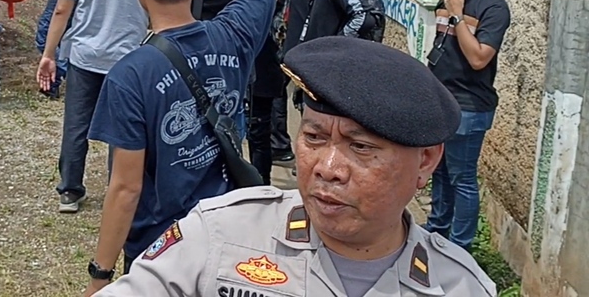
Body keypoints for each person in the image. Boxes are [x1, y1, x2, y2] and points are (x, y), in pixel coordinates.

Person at [95, 37, 497, 296]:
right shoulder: (221, 233)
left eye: (360, 147)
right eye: (314, 138)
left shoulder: (460, 286)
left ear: (425, 160)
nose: (328, 168)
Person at [82, 0, 294, 296]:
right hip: (224, 232)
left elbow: (125, 188)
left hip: (160, 249)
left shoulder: (129, 75)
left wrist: (99, 275)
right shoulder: (235, 32)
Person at [36, 0, 148, 215]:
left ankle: (69, 191)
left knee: (76, 126)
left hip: (85, 56)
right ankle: (118, 189)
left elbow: (61, 11)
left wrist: (49, 53)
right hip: (130, 59)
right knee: (124, 130)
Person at [424, 0, 510, 252]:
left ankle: (461, 249)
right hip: (442, 101)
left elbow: (478, 58)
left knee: (462, 179)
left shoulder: (493, 7)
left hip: (470, 107)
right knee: (441, 173)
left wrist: (459, 16)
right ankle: (435, 234)